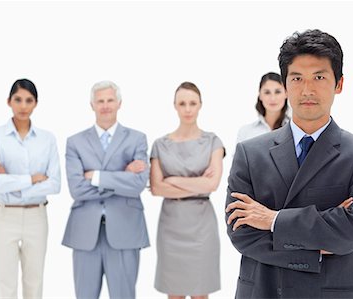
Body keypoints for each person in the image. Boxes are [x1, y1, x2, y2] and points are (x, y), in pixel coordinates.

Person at [225, 29, 353, 299]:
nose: (308, 89)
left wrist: (273, 220)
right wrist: (321, 238)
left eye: (319, 77)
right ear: (286, 85)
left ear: (339, 84)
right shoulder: (250, 153)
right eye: (297, 78)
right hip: (264, 290)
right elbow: (241, 233)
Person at [62, 80, 149, 299]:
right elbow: (77, 189)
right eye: (100, 101)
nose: (105, 105)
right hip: (85, 232)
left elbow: (138, 185)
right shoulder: (75, 142)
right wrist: (123, 177)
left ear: (119, 103)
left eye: (110, 100)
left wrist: (97, 176)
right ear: (91, 105)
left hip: (125, 228)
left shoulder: (137, 139)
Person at [0, 78, 61, 298]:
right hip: (4, 215)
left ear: (36, 103)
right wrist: (32, 179)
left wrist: (12, 180)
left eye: (29, 100)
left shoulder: (47, 139)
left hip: (37, 216)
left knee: (34, 282)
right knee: (4, 283)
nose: (23, 106)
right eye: (18, 100)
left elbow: (55, 184)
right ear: (9, 101)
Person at [150, 82, 225, 299]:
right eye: (182, 103)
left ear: (201, 105)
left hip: (202, 226)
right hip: (171, 225)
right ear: (174, 106)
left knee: (201, 292)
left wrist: (172, 179)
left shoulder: (213, 141)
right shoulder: (160, 144)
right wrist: (196, 182)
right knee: (174, 293)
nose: (188, 109)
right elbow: (156, 188)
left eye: (192, 103)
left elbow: (212, 185)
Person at [236, 72, 290, 143]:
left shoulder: (295, 129)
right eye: (267, 92)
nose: (273, 98)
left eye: (277, 92)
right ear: (260, 95)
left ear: (286, 94)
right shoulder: (246, 132)